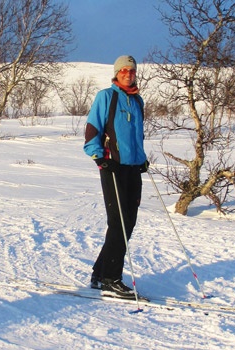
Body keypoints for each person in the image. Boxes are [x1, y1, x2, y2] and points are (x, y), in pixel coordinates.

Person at [83, 55, 149, 299]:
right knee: (119, 222)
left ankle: (100, 273)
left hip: (133, 168)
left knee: (128, 222)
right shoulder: (106, 97)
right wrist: (98, 156)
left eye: (131, 70)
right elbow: (92, 129)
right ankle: (111, 279)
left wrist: (141, 158)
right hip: (112, 166)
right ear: (116, 72)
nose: (128, 74)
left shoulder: (137, 100)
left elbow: (136, 135)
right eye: (123, 70)